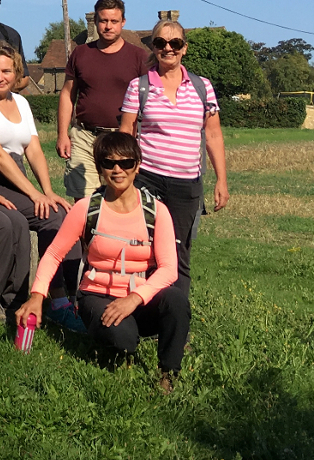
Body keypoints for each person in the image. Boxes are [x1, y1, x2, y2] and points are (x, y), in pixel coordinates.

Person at [16, 132, 190, 394]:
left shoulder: (156, 211)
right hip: (98, 294)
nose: (117, 170)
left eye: (126, 163)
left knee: (176, 300)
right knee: (124, 342)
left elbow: (168, 269)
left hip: (138, 297)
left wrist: (134, 298)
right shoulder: (87, 208)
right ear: (99, 169)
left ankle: (168, 373)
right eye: (109, 164)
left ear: (137, 166)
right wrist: (37, 296)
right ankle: (109, 342)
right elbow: (54, 254)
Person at [0, 42, 82, 330]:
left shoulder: (21, 102)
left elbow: (33, 150)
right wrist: (34, 195)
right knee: (51, 217)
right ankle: (55, 300)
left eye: (6, 71)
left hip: (17, 176)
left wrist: (47, 191)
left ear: (17, 72)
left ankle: (73, 294)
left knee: (66, 213)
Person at [118, 17, 230, 287]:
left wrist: (221, 181)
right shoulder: (139, 87)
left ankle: (175, 319)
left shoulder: (203, 87)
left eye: (175, 43)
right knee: (144, 249)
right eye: (160, 42)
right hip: (147, 179)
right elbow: (126, 135)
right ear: (153, 47)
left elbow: (213, 135)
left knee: (178, 253)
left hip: (187, 184)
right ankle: (140, 311)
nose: (168, 48)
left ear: (184, 48)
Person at [56, 0, 150, 201]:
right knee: (85, 201)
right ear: (96, 22)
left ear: (123, 22)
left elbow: (150, 100)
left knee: (119, 199)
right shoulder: (81, 53)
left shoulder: (139, 57)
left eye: (114, 21)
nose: (108, 26)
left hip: (122, 138)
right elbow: (67, 94)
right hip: (85, 137)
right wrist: (63, 134)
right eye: (103, 21)